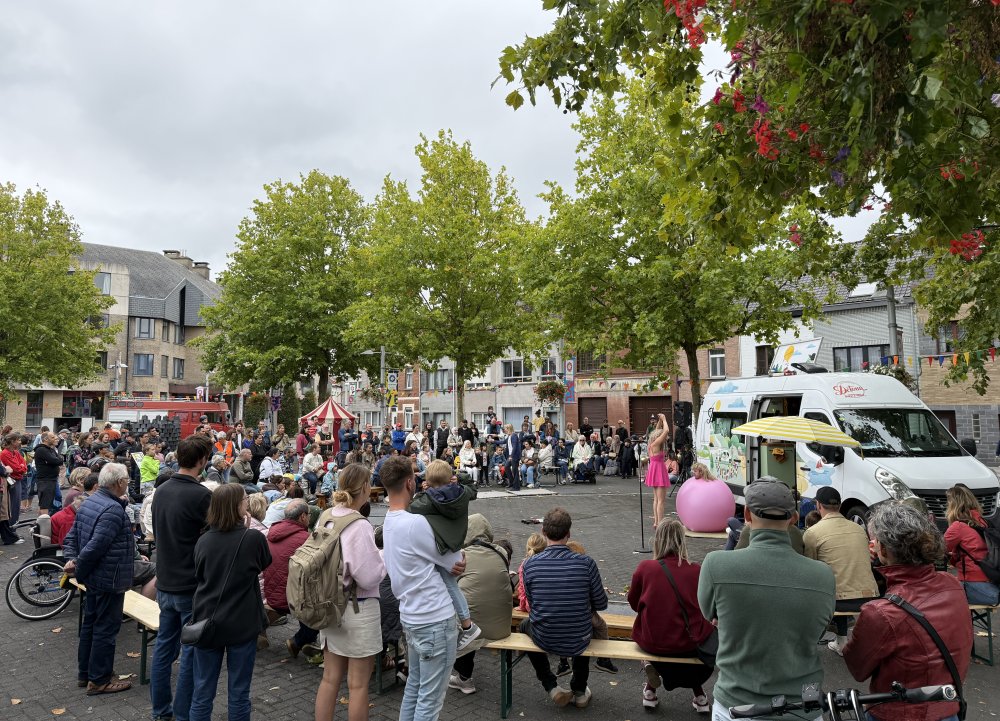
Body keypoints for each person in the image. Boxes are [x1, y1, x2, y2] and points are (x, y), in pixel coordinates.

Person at [698, 479, 835, 720]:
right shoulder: (823, 575)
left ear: (747, 514)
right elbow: (820, 628)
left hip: (737, 703)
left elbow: (708, 614)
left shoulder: (716, 564)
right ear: (794, 518)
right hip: (803, 705)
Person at [844, 501, 973, 721]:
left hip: (898, 713)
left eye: (874, 541)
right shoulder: (952, 584)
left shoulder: (882, 612)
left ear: (882, 549)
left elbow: (858, 668)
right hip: (948, 707)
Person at [381, 455, 467, 721]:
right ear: (410, 483)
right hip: (434, 618)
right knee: (430, 701)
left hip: (411, 616)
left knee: (415, 688)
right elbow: (456, 562)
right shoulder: (415, 523)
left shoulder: (389, 520)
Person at [188, 484, 272, 721]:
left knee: (203, 690)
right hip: (242, 621)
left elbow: (200, 574)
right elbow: (264, 562)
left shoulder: (203, 541)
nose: (247, 503)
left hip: (207, 620)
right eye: (245, 499)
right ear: (236, 506)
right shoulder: (252, 538)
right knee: (238, 691)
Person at [313, 464, 386, 721]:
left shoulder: (325, 516)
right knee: (358, 686)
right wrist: (383, 558)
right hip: (358, 607)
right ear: (365, 487)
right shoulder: (359, 524)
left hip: (329, 604)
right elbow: (368, 576)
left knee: (330, 679)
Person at [150, 434, 214, 721]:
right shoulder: (201, 495)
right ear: (202, 461)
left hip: (165, 580)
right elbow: (214, 538)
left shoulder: (161, 491)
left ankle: (160, 711)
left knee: (164, 648)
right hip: (190, 585)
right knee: (189, 651)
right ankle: (182, 713)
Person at [520, 507, 608, 708]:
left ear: (544, 531)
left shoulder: (530, 565)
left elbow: (533, 606)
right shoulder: (586, 563)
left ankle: (551, 686)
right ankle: (579, 689)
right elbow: (601, 604)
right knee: (583, 624)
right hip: (579, 637)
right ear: (568, 534)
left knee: (525, 625)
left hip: (544, 636)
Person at [62, 463, 134, 695]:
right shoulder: (112, 510)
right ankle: (100, 679)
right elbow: (95, 546)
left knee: (91, 625)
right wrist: (78, 565)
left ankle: (87, 674)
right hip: (108, 579)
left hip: (94, 577)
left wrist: (73, 561)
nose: (128, 483)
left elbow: (72, 536)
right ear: (118, 482)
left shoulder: (90, 500)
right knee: (105, 629)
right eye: (127, 480)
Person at [629, 520, 715, 713]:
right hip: (688, 642)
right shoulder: (696, 569)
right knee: (695, 636)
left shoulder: (645, 568)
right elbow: (706, 608)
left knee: (656, 632)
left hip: (652, 641)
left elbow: (634, 604)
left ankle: (650, 686)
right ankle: (700, 697)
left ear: (657, 541)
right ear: (682, 541)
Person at [409, 459, 482, 649]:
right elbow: (472, 488)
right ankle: (462, 623)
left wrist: (425, 490)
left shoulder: (427, 500)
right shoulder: (463, 494)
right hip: (456, 544)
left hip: (440, 546)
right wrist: (459, 478)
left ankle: (467, 625)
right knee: (450, 585)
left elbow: (412, 506)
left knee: (449, 585)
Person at [803, 486, 880, 655]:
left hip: (837, 601)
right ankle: (841, 642)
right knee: (841, 576)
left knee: (822, 583)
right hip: (869, 595)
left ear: (818, 505)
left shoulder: (812, 533)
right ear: (839, 505)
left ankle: (806, 646)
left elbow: (809, 569)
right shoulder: (859, 528)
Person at [449, 514, 513, 695]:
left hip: (472, 629)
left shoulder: (460, 555)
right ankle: (463, 677)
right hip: (502, 627)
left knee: (461, 618)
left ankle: (464, 678)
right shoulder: (501, 551)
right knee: (474, 610)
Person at [944, 484, 1000, 606]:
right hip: (992, 579)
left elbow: (936, 551)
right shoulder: (983, 522)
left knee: (940, 595)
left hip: (972, 583)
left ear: (954, 505)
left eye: (948, 503)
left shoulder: (958, 526)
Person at [645, 414, 671, 527]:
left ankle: (656, 522)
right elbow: (666, 430)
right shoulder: (657, 443)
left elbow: (657, 431)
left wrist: (660, 421)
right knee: (661, 500)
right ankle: (660, 523)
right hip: (659, 470)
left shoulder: (651, 443)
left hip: (653, 469)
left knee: (656, 499)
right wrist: (665, 419)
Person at [33, 430, 64, 516]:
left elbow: (60, 460)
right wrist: (57, 460)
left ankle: (44, 521)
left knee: (55, 498)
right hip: (45, 480)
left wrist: (58, 460)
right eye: (53, 437)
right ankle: (43, 525)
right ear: (46, 439)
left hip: (53, 479)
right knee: (45, 504)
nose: (56, 439)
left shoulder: (51, 449)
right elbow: (55, 460)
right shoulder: (41, 450)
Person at [504, 424, 523, 492]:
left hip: (514, 456)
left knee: (515, 471)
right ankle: (512, 483)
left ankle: (516, 487)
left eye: (505, 428)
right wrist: (493, 441)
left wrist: (511, 456)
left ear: (508, 428)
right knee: (506, 467)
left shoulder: (514, 435)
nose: (504, 430)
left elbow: (515, 446)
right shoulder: (509, 436)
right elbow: (503, 441)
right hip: (510, 456)